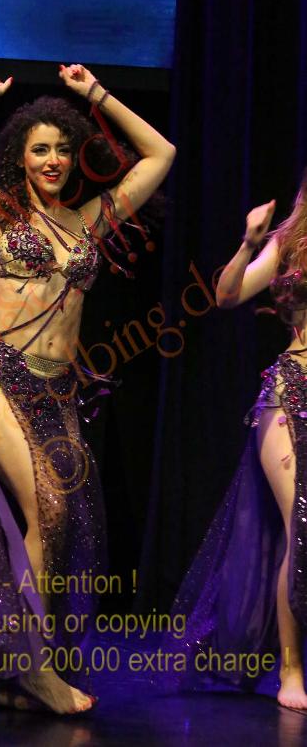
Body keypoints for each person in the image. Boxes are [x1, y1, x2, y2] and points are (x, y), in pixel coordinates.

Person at [0, 65, 175, 713]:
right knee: (49, 509)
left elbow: (161, 153)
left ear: (76, 158)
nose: (53, 160)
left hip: (57, 394)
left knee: (64, 526)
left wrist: (96, 95)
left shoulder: (89, 220)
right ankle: (35, 671)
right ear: (20, 158)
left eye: (63, 149)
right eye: (40, 149)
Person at [167, 185, 307, 710]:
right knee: (302, 522)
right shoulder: (290, 241)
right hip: (292, 390)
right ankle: (290, 670)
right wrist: (249, 243)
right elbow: (227, 295)